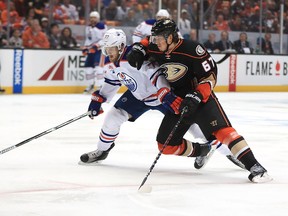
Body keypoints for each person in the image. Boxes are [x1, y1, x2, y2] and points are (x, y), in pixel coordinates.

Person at [126, 18, 272, 183]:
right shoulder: (156, 47)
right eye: (154, 38)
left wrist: (197, 95)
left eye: (158, 38)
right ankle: (202, 150)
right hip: (177, 102)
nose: (155, 42)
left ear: (169, 37)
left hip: (201, 98)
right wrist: (138, 48)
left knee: (223, 132)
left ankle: (255, 167)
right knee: (165, 145)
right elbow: (145, 43)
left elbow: (211, 77)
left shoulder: (193, 49)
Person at [79, 28, 213, 164]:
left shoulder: (134, 56)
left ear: (120, 47)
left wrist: (165, 92)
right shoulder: (109, 62)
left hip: (161, 96)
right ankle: (102, 151)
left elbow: (154, 72)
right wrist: (99, 99)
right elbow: (112, 82)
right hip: (138, 97)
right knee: (113, 117)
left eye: (111, 48)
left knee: (191, 124)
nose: (108, 52)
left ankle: (218, 146)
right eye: (106, 49)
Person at [82, 11, 107, 93]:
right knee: (88, 68)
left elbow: (105, 39)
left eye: (94, 17)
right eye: (91, 17)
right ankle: (90, 85)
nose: (92, 19)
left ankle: (100, 86)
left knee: (98, 68)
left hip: (99, 51)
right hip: (91, 51)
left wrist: (97, 46)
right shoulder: (88, 27)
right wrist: (85, 48)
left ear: (98, 18)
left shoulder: (102, 26)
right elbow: (88, 39)